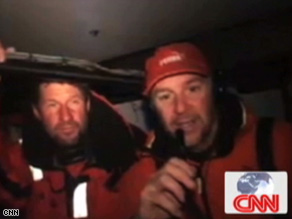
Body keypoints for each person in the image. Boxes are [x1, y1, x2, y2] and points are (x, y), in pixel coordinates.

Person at [136, 42, 292, 218]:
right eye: (165, 96)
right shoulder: (145, 167)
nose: (180, 108)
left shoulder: (277, 143)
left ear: (214, 92)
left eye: (192, 89)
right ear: (154, 108)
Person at [0, 42, 153, 218]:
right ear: (37, 112)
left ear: (88, 106)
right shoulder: (21, 161)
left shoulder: (132, 162)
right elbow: (9, 211)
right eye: (53, 105)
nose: (65, 116)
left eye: (74, 102)